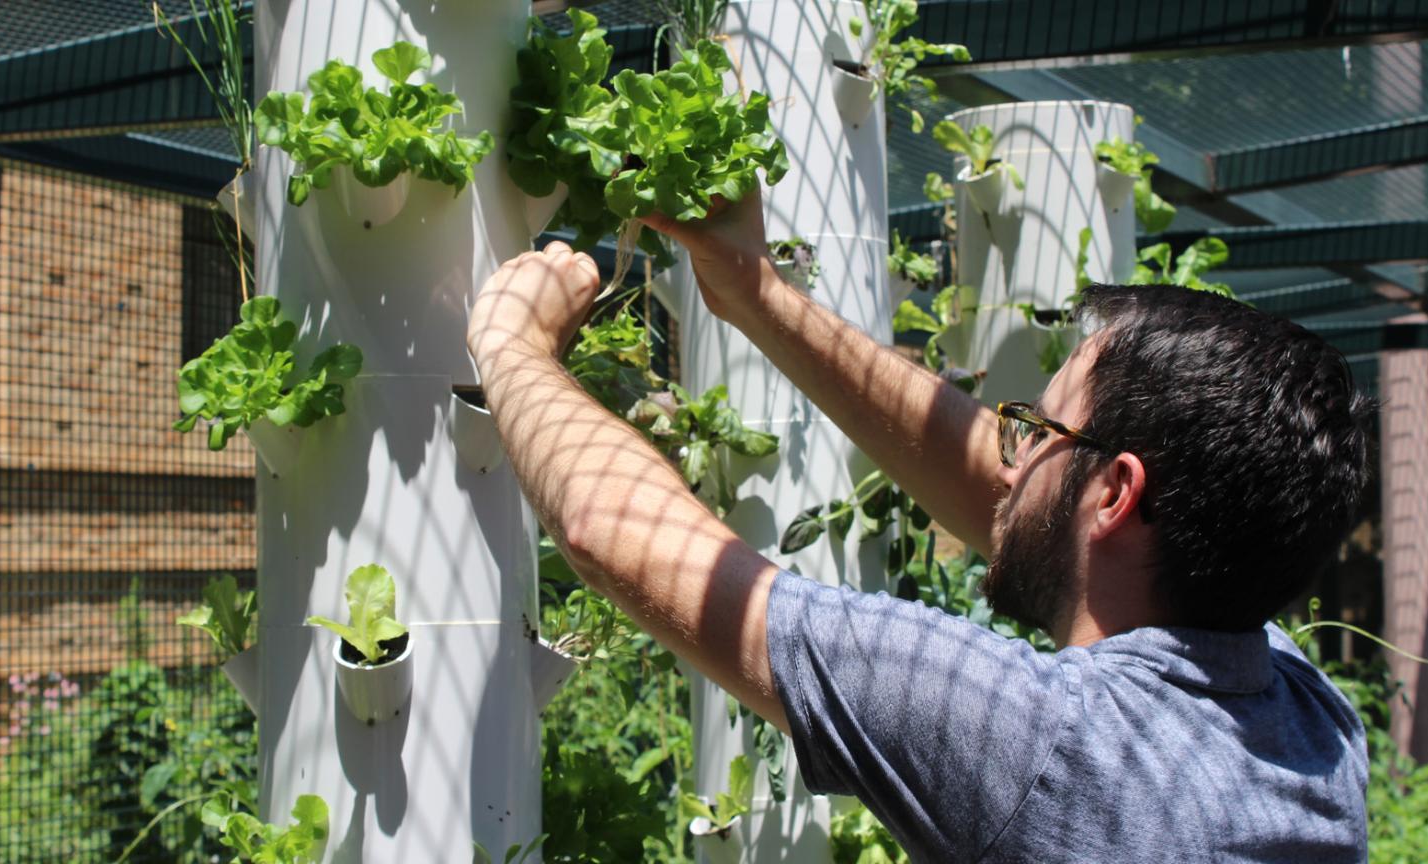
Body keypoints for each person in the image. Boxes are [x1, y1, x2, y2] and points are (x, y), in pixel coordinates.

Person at [466, 186, 1373, 861]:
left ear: (1114, 497)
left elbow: (612, 529)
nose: (1009, 459)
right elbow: (1029, 504)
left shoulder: (1048, 742)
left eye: (1036, 430)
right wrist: (757, 294)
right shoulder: (1306, 728)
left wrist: (510, 345)